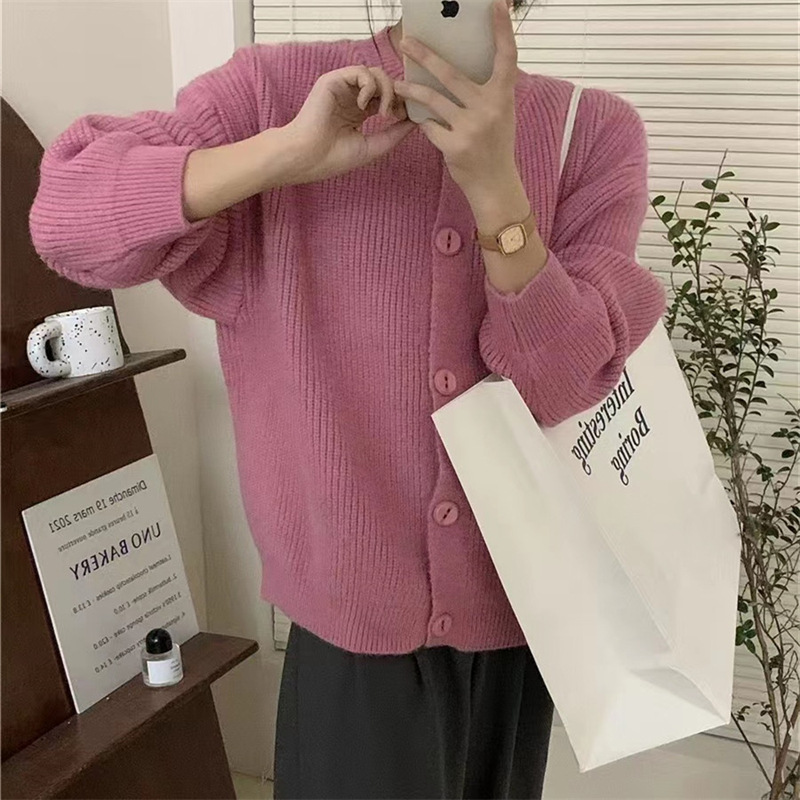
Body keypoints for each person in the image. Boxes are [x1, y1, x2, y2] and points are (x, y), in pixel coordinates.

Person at [30, 0, 666, 796]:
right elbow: (65, 219)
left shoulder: (590, 132)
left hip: (522, 623)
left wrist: (497, 190)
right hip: (348, 640)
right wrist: (281, 154)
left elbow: (563, 382)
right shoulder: (271, 93)